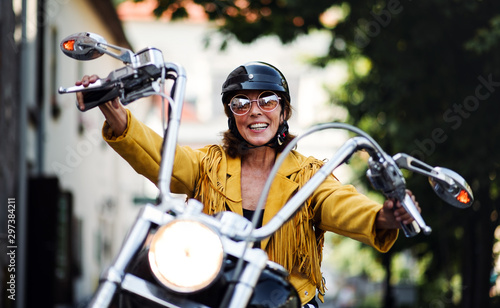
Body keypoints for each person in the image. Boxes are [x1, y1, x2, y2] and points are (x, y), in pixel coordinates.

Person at [76, 61, 420, 307]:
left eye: (267, 101)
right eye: (241, 104)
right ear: (231, 115)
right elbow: (160, 157)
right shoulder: (207, 164)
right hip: (208, 290)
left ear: (283, 112)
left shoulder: (309, 175)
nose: (255, 111)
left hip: (285, 299)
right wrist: (115, 111)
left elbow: (339, 203)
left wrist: (384, 216)